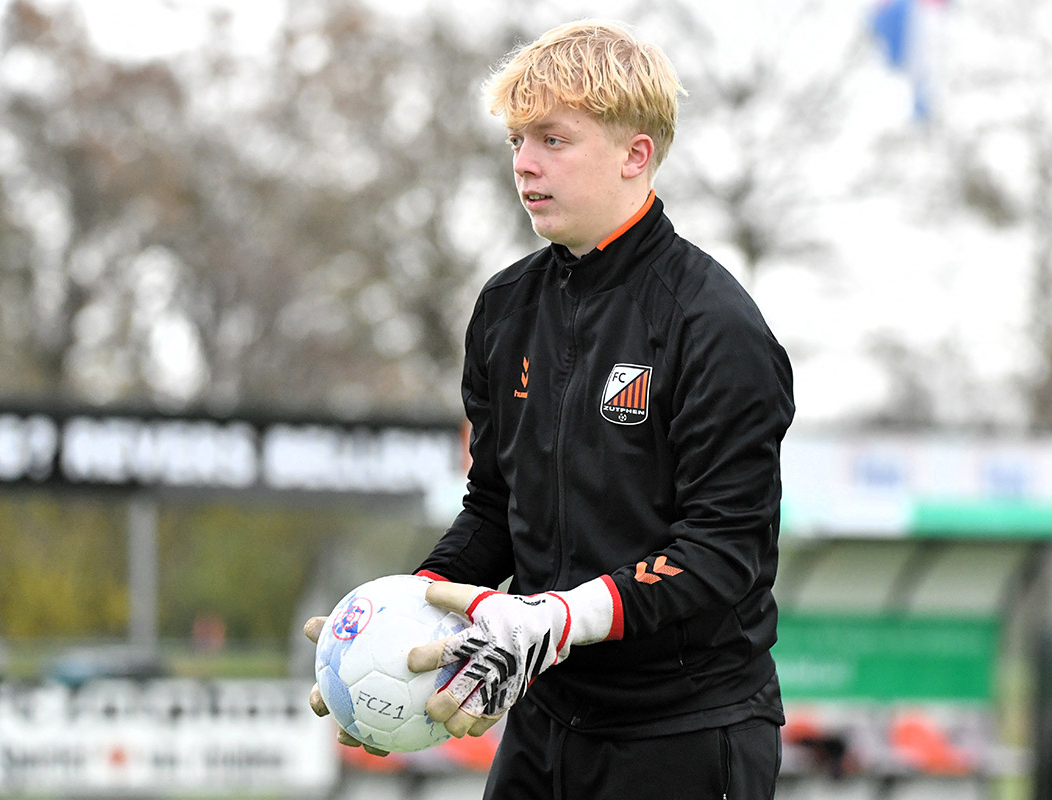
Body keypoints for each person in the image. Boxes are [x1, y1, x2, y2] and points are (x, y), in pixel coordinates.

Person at [306, 19, 794, 799]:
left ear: (635, 154)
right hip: (545, 722)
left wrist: (556, 620)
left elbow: (721, 550)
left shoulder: (715, 325)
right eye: (516, 141)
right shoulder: (505, 308)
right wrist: (396, 623)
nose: (524, 163)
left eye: (553, 140)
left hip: (688, 730)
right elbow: (494, 511)